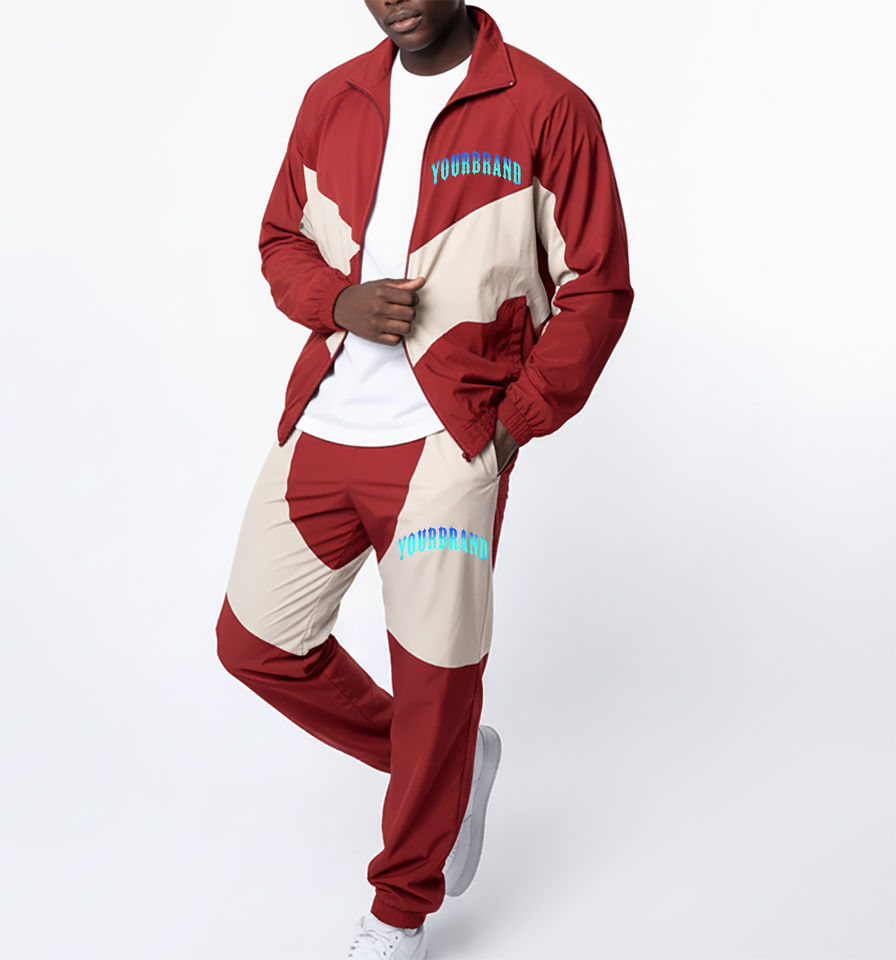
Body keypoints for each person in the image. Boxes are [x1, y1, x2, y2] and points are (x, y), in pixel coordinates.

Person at [215, 1, 634, 956]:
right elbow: (281, 240)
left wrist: (512, 427)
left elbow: (598, 285)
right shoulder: (333, 100)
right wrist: (338, 300)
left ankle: (401, 908)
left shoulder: (548, 107)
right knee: (255, 642)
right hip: (326, 423)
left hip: (449, 443)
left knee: (437, 676)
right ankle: (451, 767)